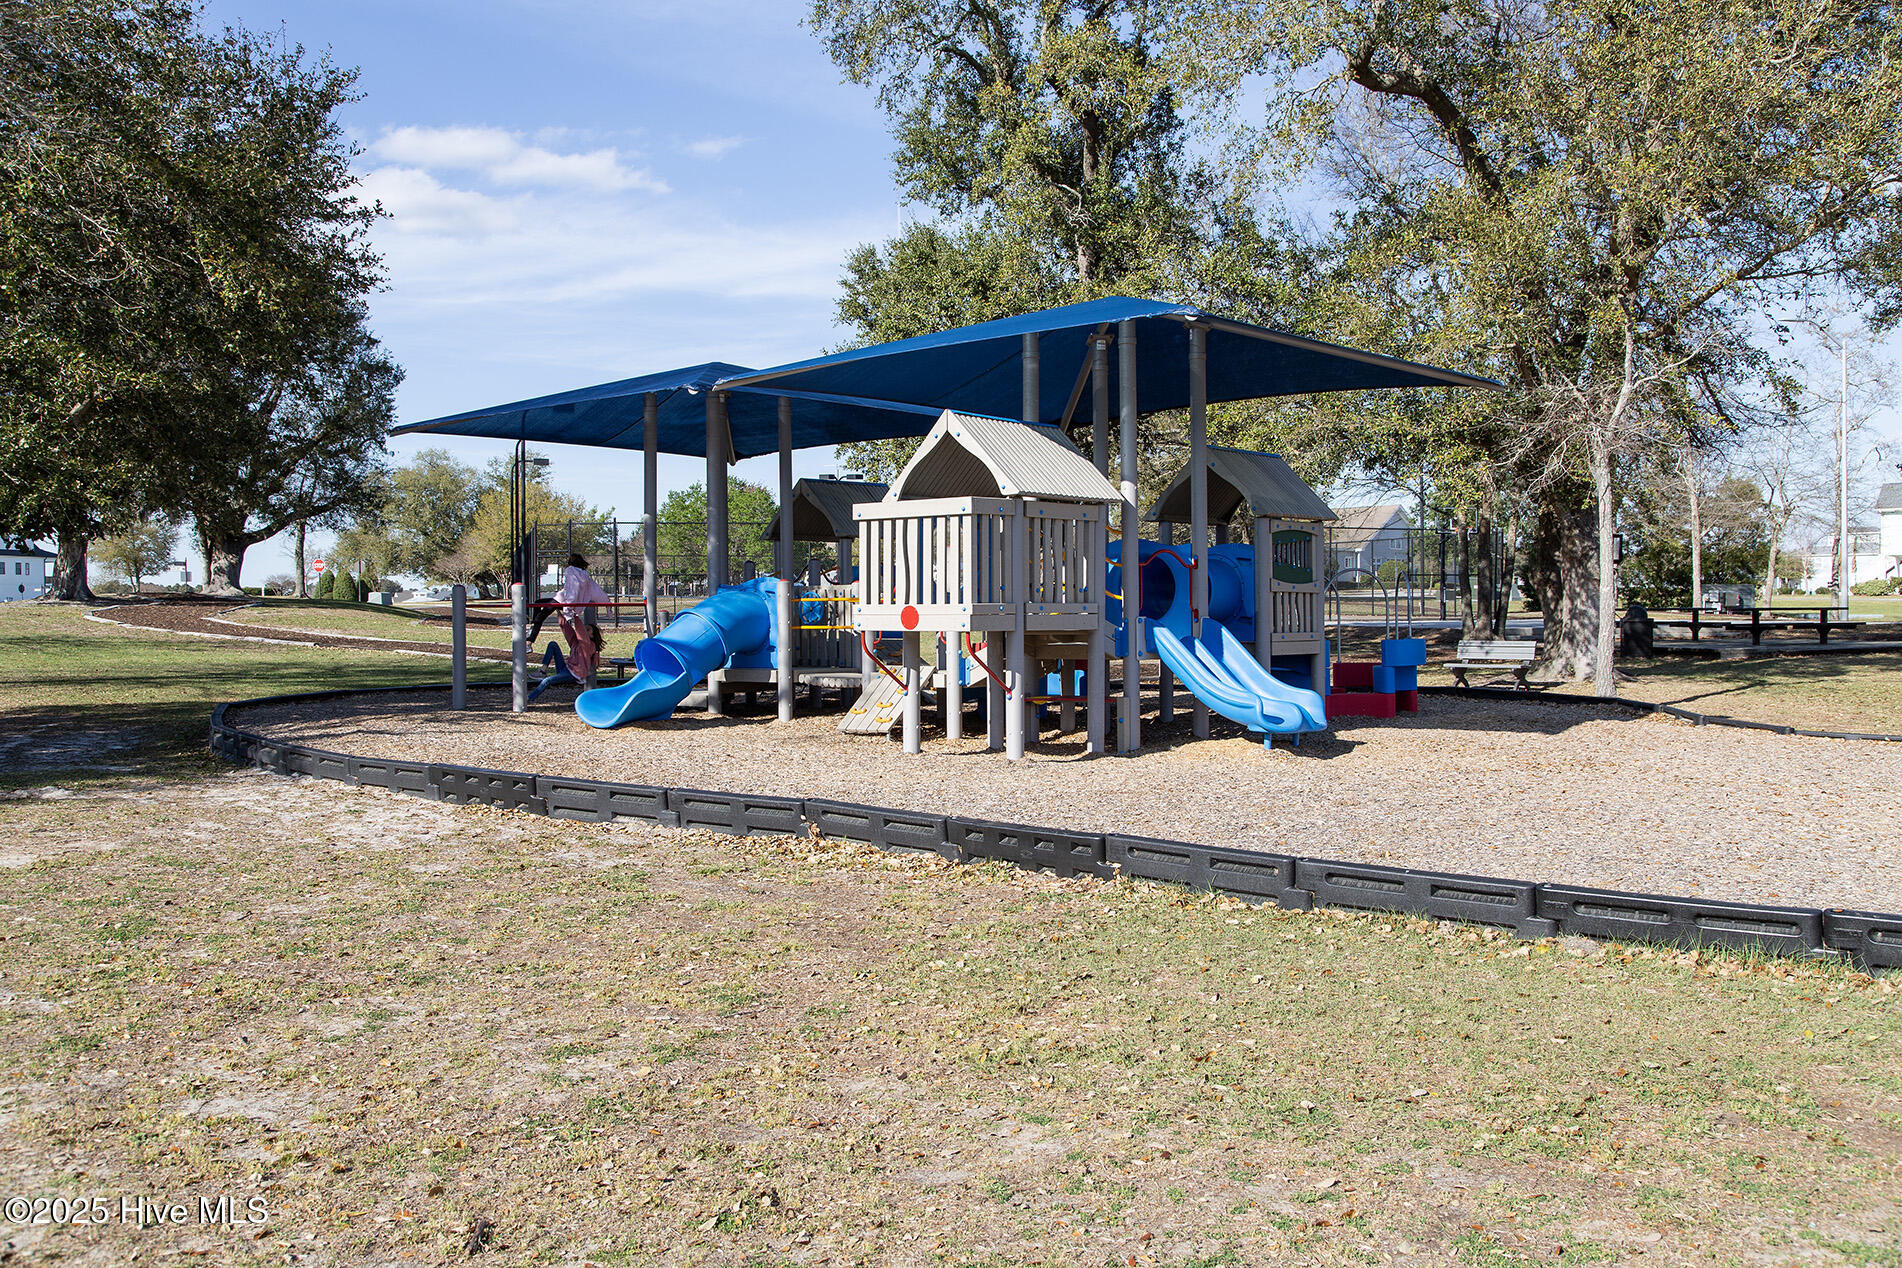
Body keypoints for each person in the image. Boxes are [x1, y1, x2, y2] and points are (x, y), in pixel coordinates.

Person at [531, 554, 611, 690]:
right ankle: (541, 665)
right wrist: (608, 605)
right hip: (566, 602)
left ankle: (529, 638)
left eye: (588, 630)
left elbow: (573, 593)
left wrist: (569, 611)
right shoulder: (586, 576)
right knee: (538, 605)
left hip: (567, 602)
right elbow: (598, 593)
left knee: (541, 612)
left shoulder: (571, 571)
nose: (585, 630)